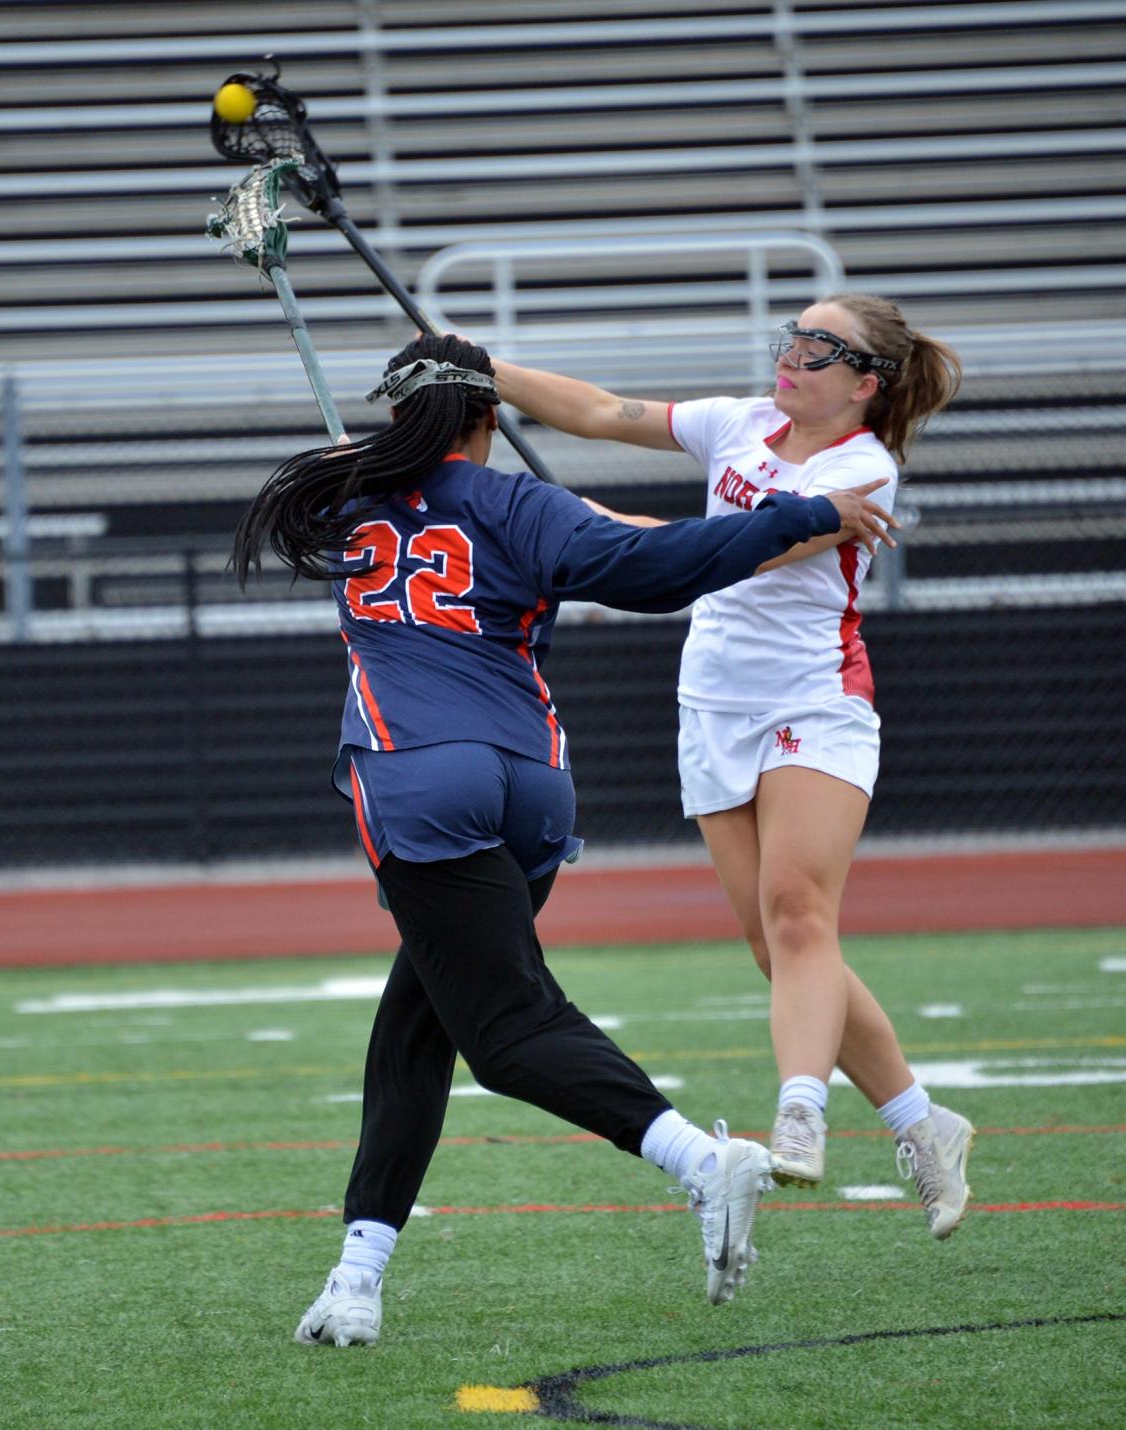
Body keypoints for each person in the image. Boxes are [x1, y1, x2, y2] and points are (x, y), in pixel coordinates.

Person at [232, 333, 897, 1348]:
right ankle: (358, 1274)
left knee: (501, 1032)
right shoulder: (519, 505)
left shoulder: (338, 494)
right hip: (533, 787)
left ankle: (697, 1158)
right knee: (419, 1026)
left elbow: (339, 499)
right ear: (489, 419)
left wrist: (356, 468)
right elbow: (657, 566)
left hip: (419, 777)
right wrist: (799, 515)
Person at [489, 295, 975, 1240]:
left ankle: (800, 1112)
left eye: (817, 346)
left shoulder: (861, 473)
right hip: (712, 704)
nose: (790, 356)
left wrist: (600, 523)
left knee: (799, 915)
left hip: (813, 703)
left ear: (866, 383)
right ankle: (923, 1123)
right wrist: (481, 366)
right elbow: (602, 412)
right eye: (790, 336)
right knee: (778, 946)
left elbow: (745, 553)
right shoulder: (740, 422)